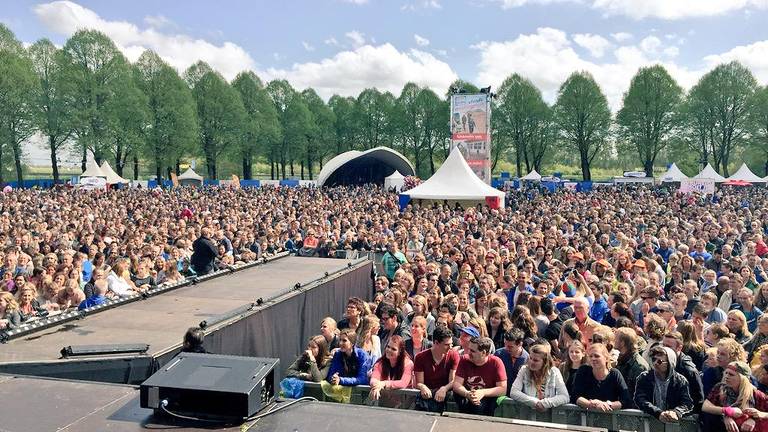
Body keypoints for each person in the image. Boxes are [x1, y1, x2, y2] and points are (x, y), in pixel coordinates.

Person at [702, 361, 768, 432]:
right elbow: (705, 406)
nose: (726, 376)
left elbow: (765, 413)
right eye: (726, 373)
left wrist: (756, 417)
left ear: (743, 379)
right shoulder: (720, 388)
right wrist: (726, 411)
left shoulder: (755, 394)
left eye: (731, 374)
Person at [634, 346, 694, 422]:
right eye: (653, 359)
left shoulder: (680, 380)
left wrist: (676, 412)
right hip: (649, 422)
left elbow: (687, 403)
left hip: (672, 424)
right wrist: (658, 413)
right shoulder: (644, 377)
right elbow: (640, 399)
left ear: (670, 363)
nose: (655, 363)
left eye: (659, 361)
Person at [453, 336, 507, 416]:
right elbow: (457, 384)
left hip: (487, 399)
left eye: (473, 351)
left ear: (484, 353)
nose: (468, 353)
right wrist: (467, 394)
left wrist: (483, 393)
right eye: (469, 349)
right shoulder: (464, 360)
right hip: (468, 396)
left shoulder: (496, 362)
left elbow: (502, 389)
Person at [571, 343, 631, 411]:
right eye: (590, 356)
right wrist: (592, 404)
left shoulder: (615, 374)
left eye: (597, 356)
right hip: (584, 418)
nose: (593, 358)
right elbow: (575, 396)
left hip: (609, 418)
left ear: (606, 358)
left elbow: (626, 400)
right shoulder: (583, 371)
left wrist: (607, 405)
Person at [509, 343, 570, 411]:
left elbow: (565, 397)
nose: (531, 362)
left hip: (549, 417)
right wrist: (534, 402)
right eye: (530, 358)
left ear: (545, 362)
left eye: (536, 360)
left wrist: (545, 403)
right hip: (527, 415)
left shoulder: (554, 371)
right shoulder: (524, 370)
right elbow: (514, 392)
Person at [413, 326, 460, 413]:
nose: (450, 347)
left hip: (445, 396)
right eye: (446, 345)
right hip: (427, 396)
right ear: (436, 342)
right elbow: (419, 382)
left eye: (451, 344)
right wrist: (422, 387)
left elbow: (452, 381)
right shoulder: (421, 357)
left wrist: (444, 388)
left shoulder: (454, 355)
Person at [369, 335, 414, 401]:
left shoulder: (408, 364)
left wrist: (383, 383)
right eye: (388, 347)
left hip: (405, 403)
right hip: (385, 401)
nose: (389, 350)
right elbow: (373, 380)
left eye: (394, 349)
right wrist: (376, 387)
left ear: (400, 352)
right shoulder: (380, 363)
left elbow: (403, 383)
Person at [614, 327, 650, 402]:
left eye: (616, 338)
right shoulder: (622, 360)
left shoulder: (639, 366)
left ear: (623, 342)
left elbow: (640, 394)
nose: (613, 340)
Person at [495, 328, 529, 395]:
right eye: (505, 344)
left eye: (510, 347)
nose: (506, 348)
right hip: (499, 395)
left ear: (520, 344)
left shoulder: (527, 359)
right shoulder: (498, 355)